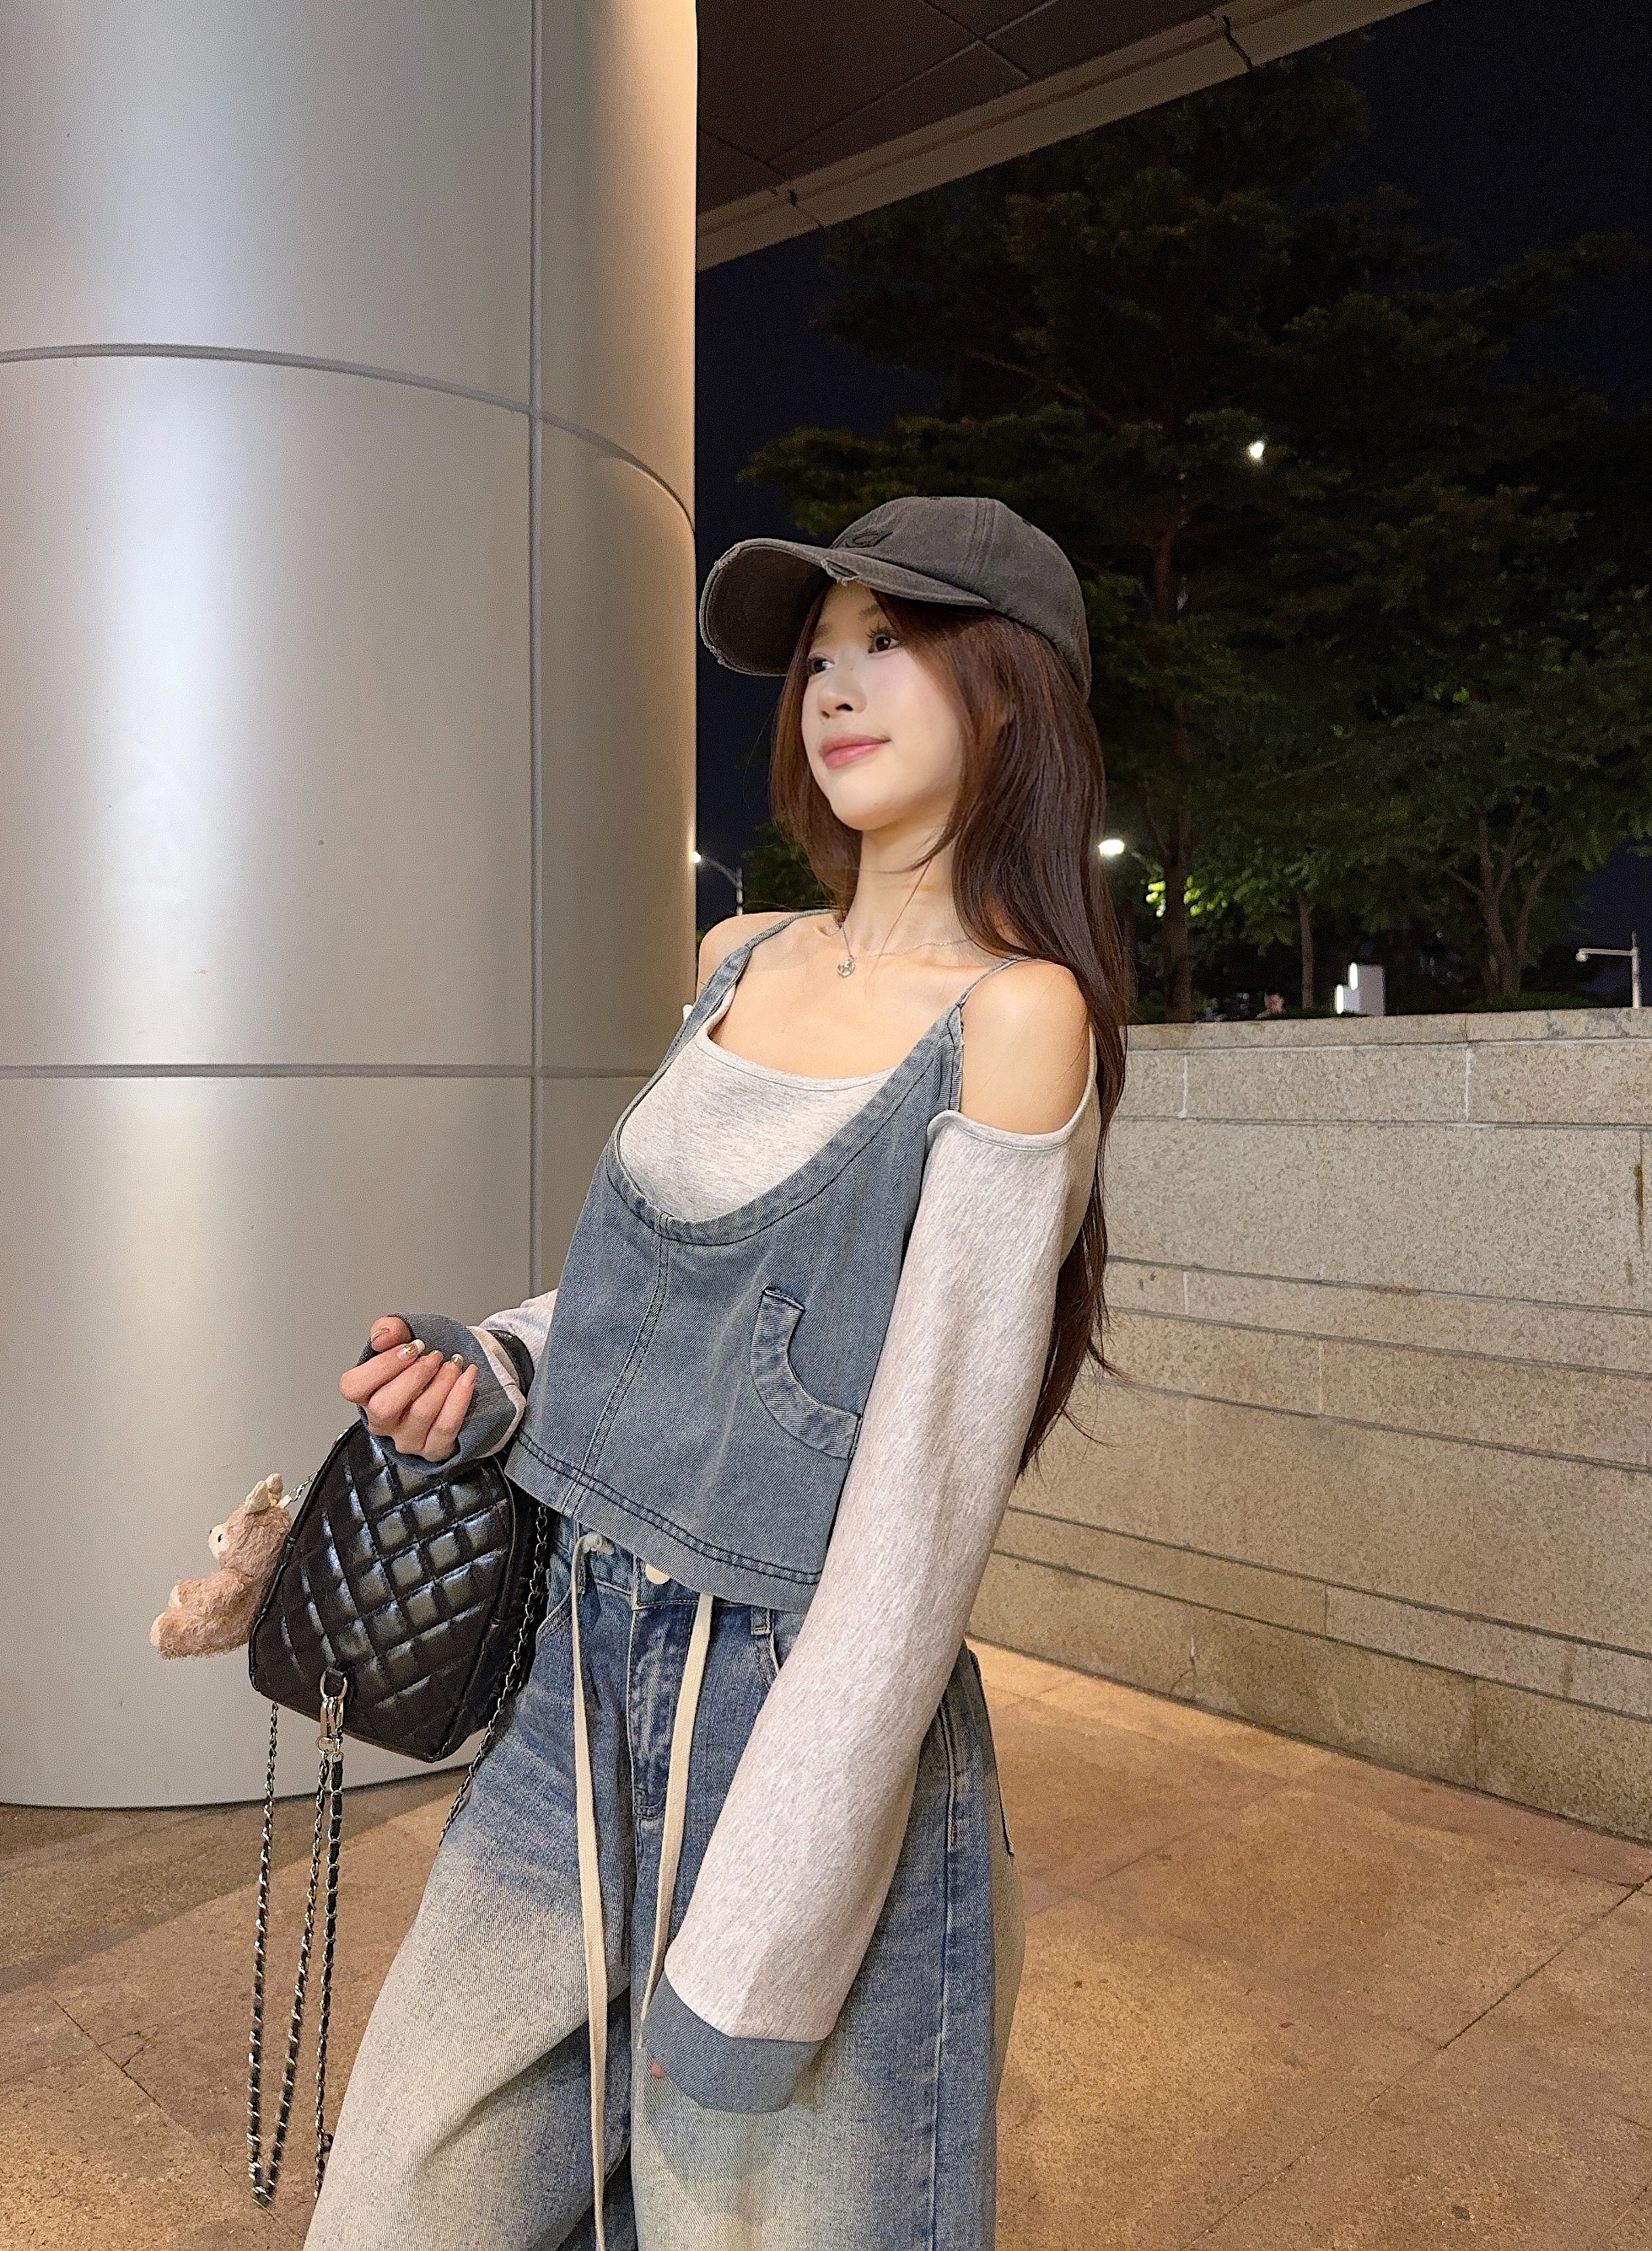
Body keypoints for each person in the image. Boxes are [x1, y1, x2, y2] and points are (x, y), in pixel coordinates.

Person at [303, 495, 1128, 2251]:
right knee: (399, 2202)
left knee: (740, 2211)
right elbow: (661, 1301)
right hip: (575, 1674)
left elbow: (916, 1515)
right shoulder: (735, 959)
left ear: (1012, 689)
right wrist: (497, 1366)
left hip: (799, 1719)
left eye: (887, 644)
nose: (834, 687)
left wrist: (758, 1941)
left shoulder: (1015, 1017)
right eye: (817, 656)